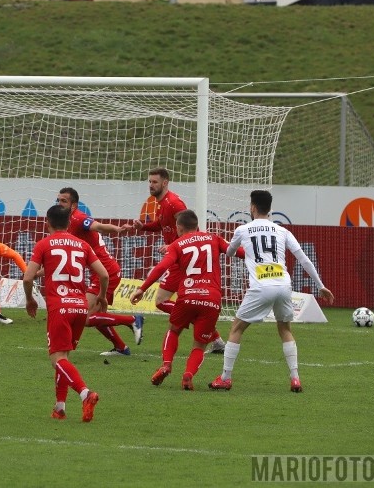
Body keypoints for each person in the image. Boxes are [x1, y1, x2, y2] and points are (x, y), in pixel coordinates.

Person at [209, 190, 334, 393]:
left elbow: (230, 252)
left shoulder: (243, 230)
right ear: (270, 209)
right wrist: (320, 286)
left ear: (252, 207)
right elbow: (304, 259)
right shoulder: (282, 231)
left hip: (260, 286)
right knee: (285, 329)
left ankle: (225, 378)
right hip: (283, 285)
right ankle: (295, 379)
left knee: (236, 329)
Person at [130, 210, 243, 391]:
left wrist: (142, 289)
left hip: (188, 296)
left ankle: (166, 365)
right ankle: (188, 375)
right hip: (212, 299)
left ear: (179, 228)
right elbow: (241, 253)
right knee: (199, 345)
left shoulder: (177, 244)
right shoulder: (214, 239)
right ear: (197, 226)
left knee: (174, 330)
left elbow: (161, 267)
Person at [122, 167, 228, 354]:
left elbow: (191, 230)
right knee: (167, 302)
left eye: (154, 182)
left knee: (162, 301)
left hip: (182, 260)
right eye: (149, 182)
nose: (151, 185)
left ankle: (210, 333)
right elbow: (161, 225)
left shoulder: (174, 203)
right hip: (178, 259)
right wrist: (144, 227)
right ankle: (214, 337)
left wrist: (173, 246)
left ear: (165, 183)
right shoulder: (161, 204)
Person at [23, 205, 105, 422]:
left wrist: (30, 299)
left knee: (57, 359)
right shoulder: (82, 244)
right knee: (64, 358)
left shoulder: (44, 244)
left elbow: (27, 277)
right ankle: (59, 408)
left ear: (47, 223)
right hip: (79, 308)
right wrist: (102, 296)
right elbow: (104, 274)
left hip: (60, 308)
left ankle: (86, 394)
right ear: (69, 223)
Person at [56, 187, 144, 356]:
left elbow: (99, 226)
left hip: (106, 272)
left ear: (74, 205)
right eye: (58, 200)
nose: (59, 203)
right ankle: (121, 348)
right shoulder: (67, 221)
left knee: (87, 317)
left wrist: (117, 229)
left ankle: (133, 320)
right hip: (100, 272)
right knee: (98, 317)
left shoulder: (79, 218)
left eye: (64, 201)